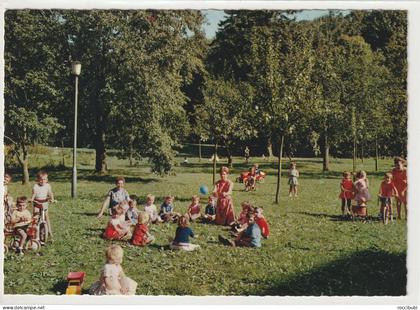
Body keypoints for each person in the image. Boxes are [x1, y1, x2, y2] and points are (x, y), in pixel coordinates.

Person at [31, 170, 55, 238]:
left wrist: (52, 199)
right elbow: (34, 194)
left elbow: (50, 193)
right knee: (36, 215)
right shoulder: (36, 186)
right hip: (37, 202)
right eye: (41, 180)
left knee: (46, 217)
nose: (43, 181)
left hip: (44, 202)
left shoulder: (47, 185)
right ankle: (33, 231)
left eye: (44, 179)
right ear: (37, 180)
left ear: (47, 179)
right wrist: (32, 199)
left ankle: (49, 231)